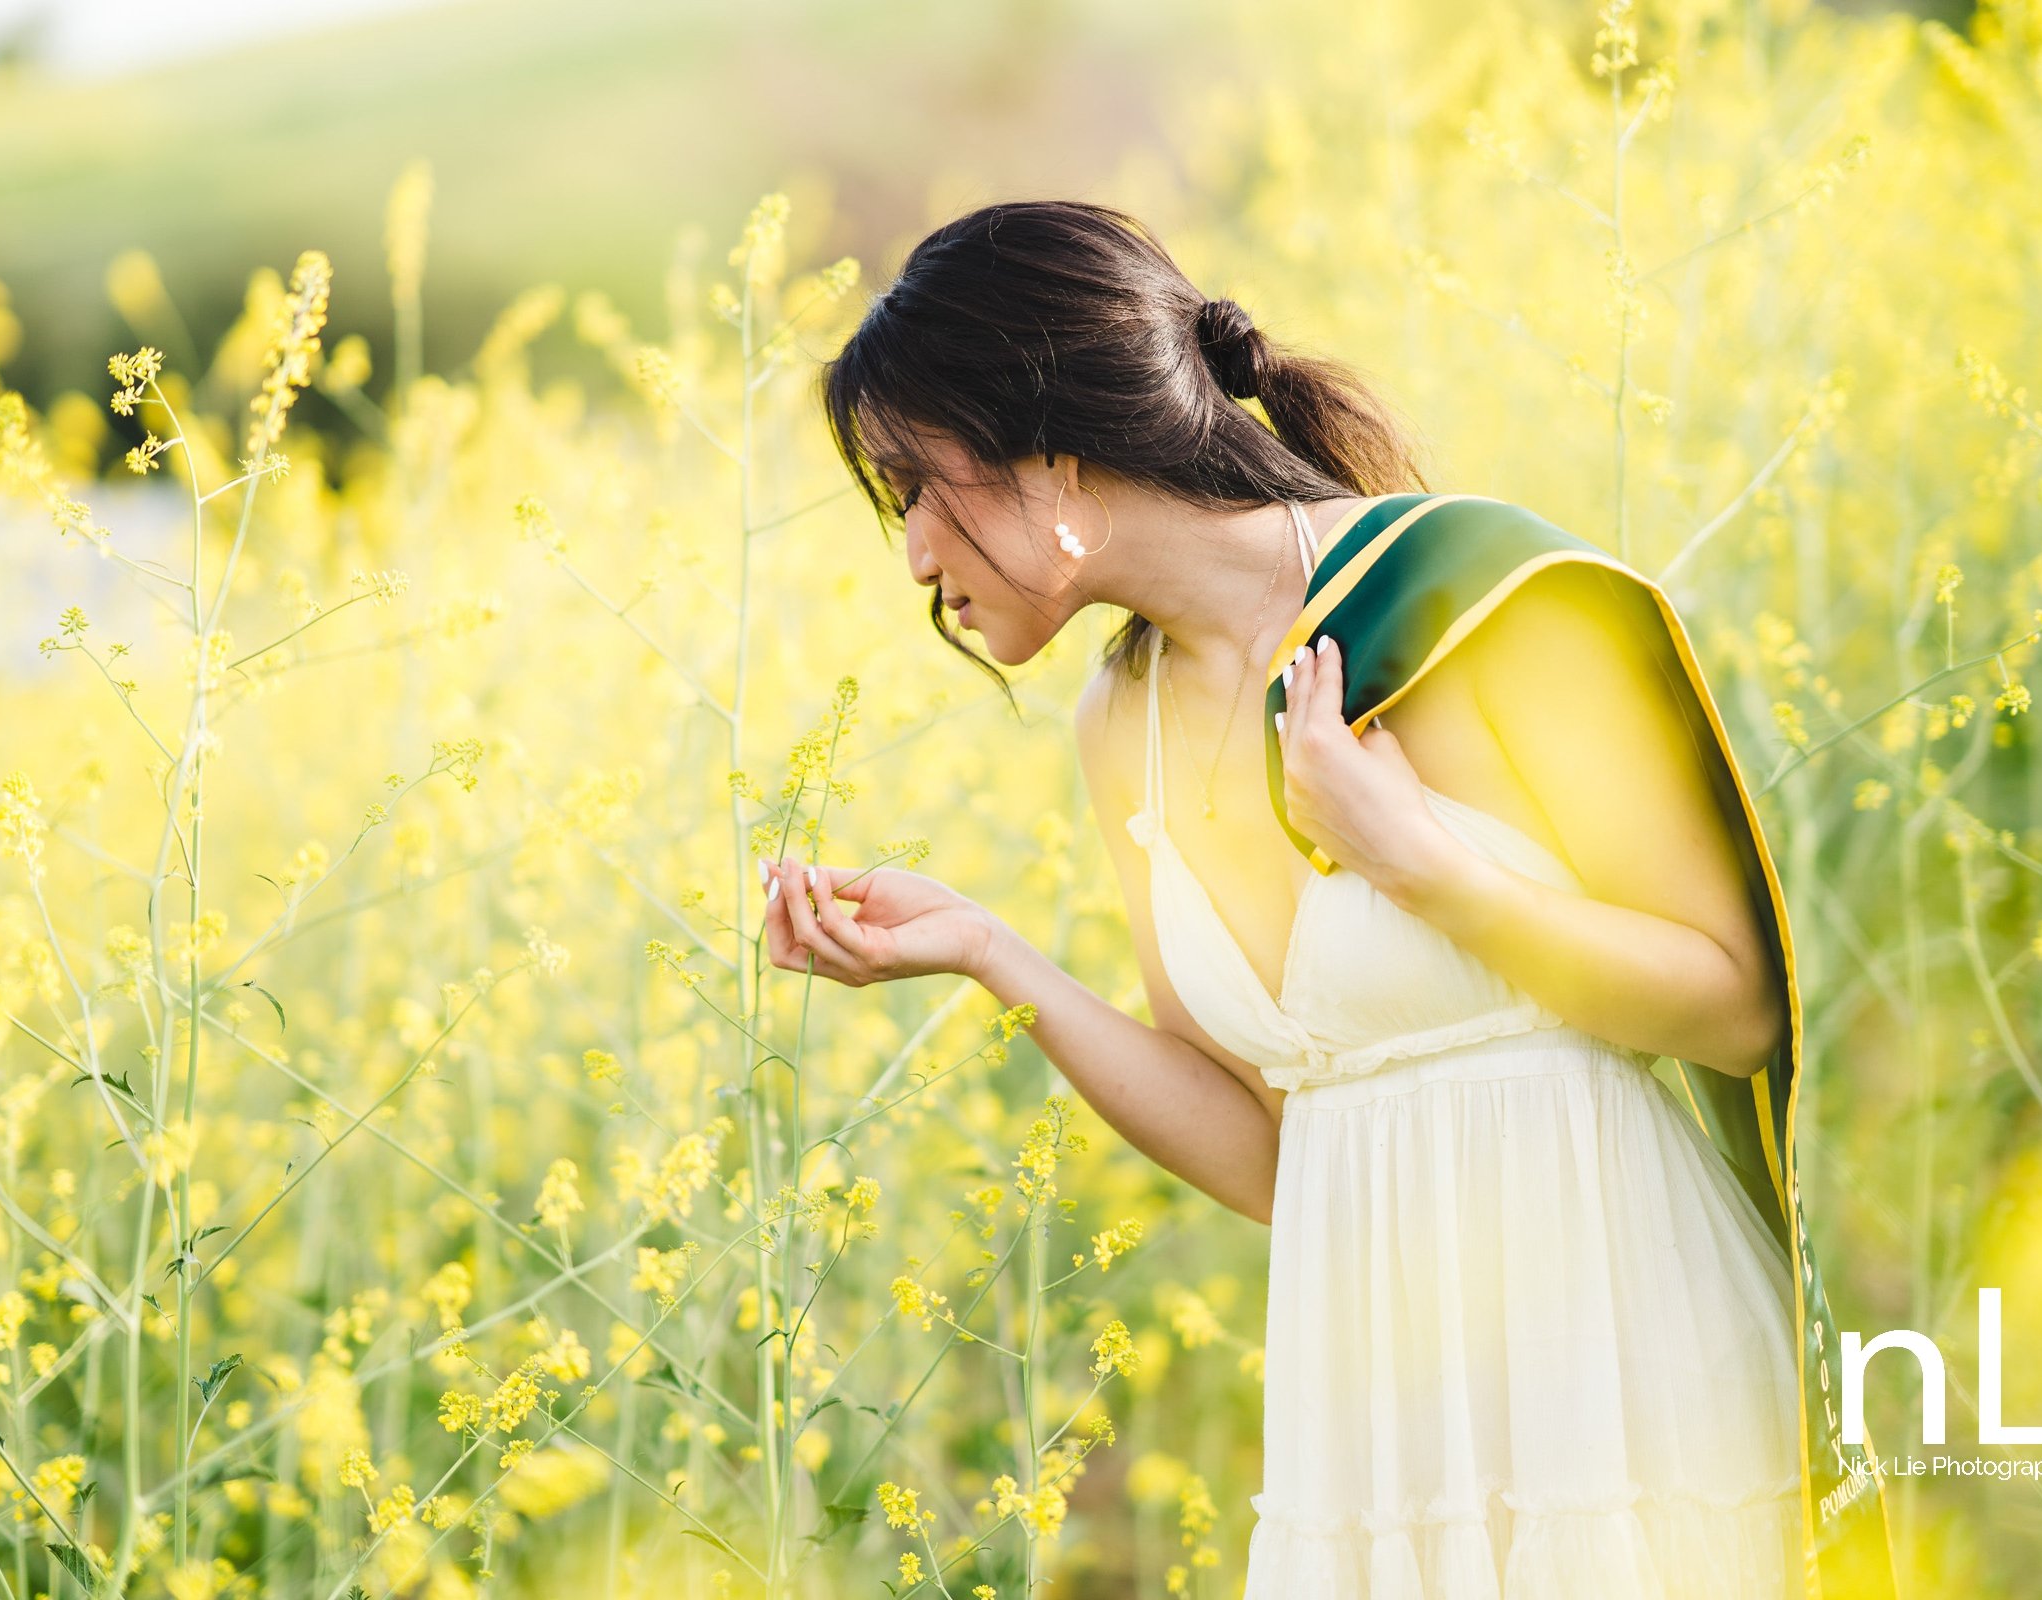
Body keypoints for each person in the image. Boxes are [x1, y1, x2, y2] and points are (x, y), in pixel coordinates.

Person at [764, 200, 1894, 1597]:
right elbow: (1278, 1158)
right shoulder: (1124, 724)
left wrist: (1429, 867)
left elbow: (1734, 1007)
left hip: (1612, 1359)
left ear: (1050, 462)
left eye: (916, 488)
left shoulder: (1482, 597)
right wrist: (996, 959)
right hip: (1372, 1428)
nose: (918, 556)